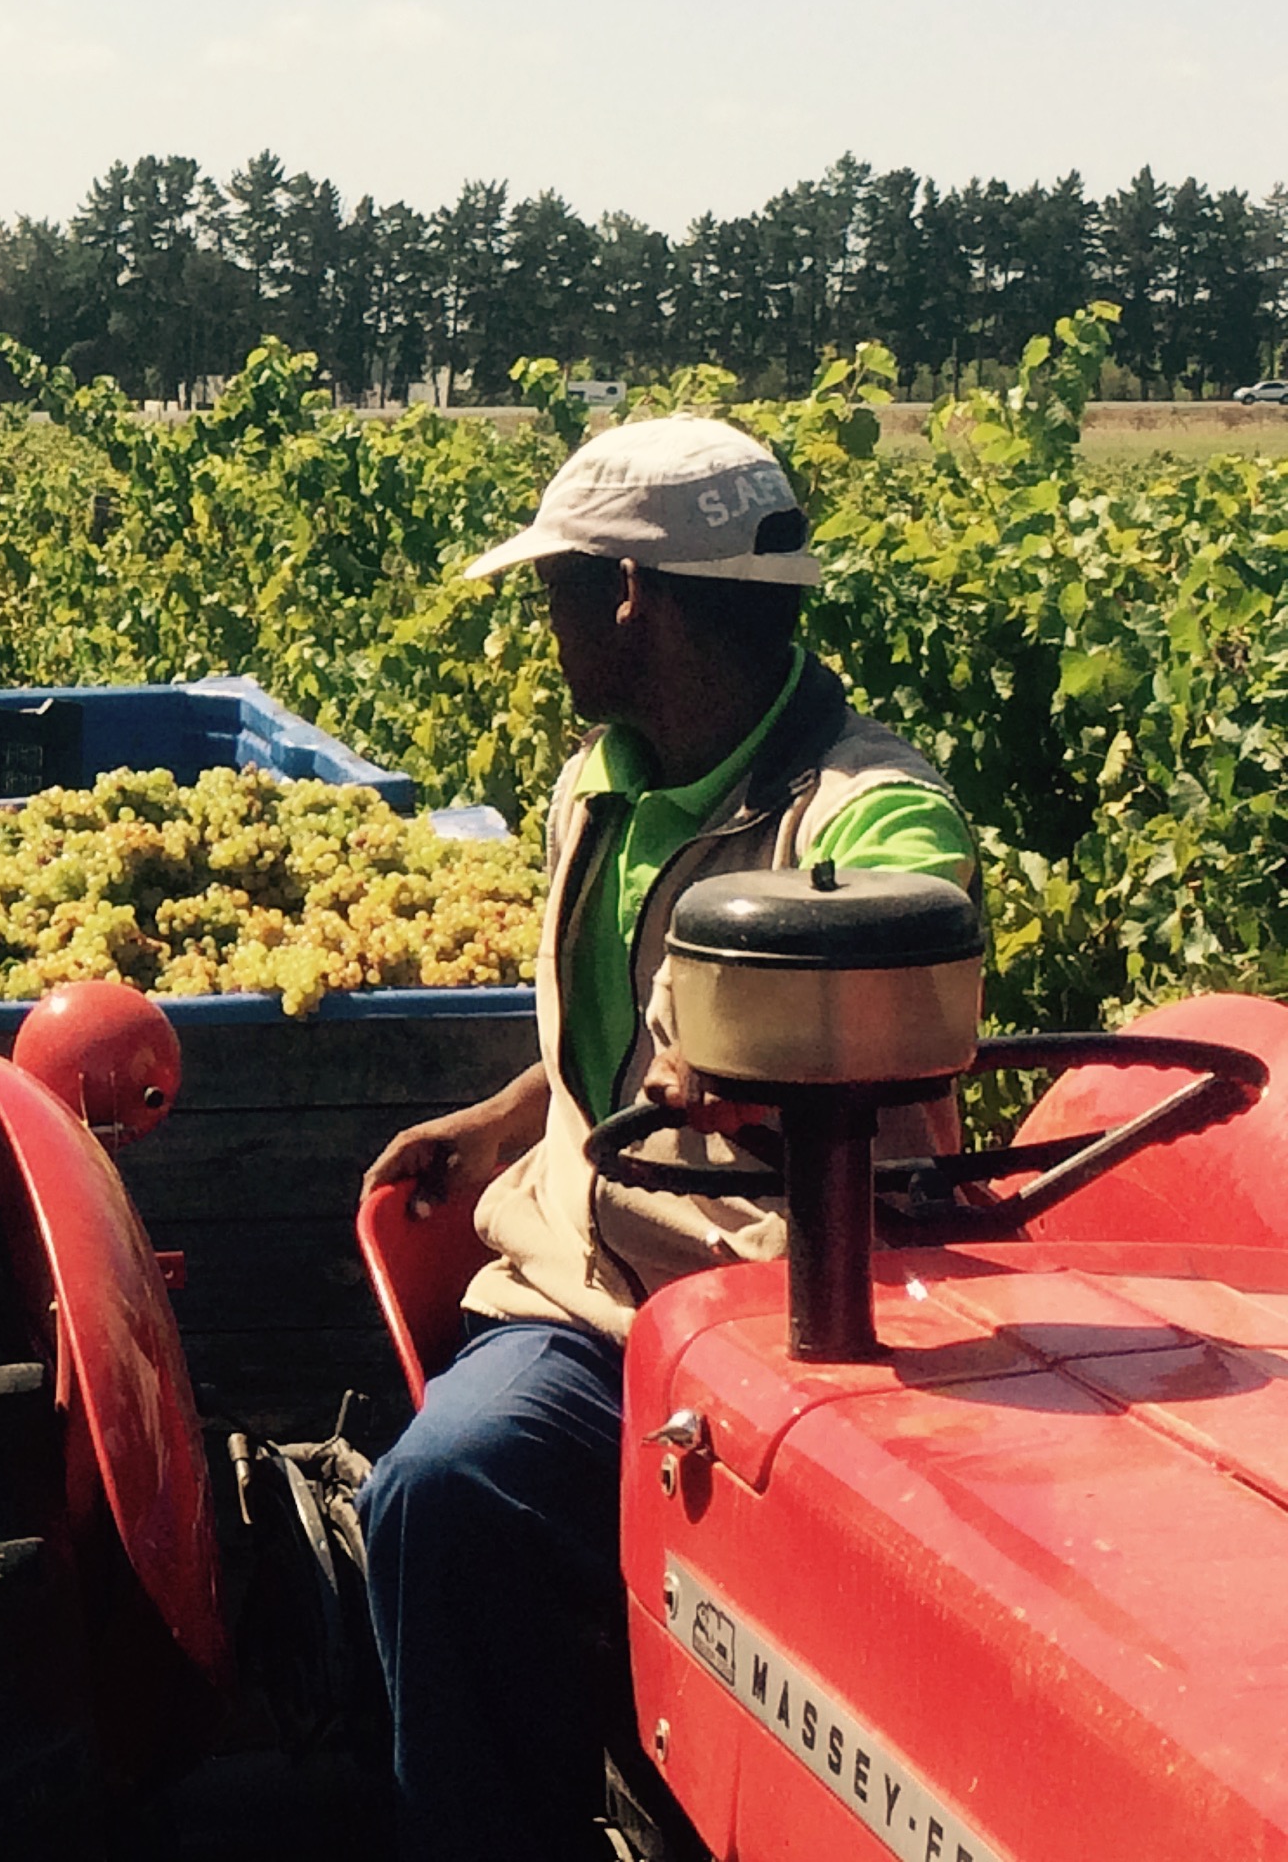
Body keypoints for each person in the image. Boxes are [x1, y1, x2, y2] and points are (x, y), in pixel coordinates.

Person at [354, 417, 975, 1862]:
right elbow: (612, 1038)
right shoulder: (599, 786)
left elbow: (911, 912)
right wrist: (512, 1110)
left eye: (557, 587)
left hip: (794, 1305)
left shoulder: (868, 806)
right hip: (593, 1298)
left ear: (630, 593)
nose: (544, 620)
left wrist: (782, 1035)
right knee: (441, 1494)